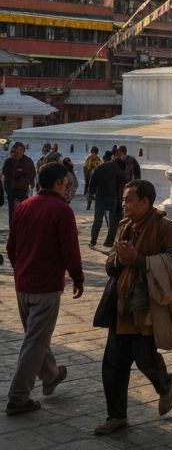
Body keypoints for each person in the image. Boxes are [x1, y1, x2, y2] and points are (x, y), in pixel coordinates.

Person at [94, 179, 172, 435]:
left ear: (145, 202)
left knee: (145, 359)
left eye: (129, 200)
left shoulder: (165, 228)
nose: (124, 204)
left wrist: (139, 260)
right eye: (123, 200)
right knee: (113, 364)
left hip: (146, 307)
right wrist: (118, 260)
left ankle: (164, 384)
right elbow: (111, 265)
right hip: (121, 305)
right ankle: (116, 416)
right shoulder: (124, 226)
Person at [5, 161, 83, 417]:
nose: (67, 187)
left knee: (35, 337)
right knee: (35, 340)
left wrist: (21, 270)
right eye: (66, 183)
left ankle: (50, 375)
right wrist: (77, 277)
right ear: (59, 183)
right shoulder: (61, 210)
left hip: (23, 284)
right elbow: (70, 250)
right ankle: (18, 397)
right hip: (46, 286)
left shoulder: (24, 205)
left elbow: (11, 247)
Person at [89, 151, 125, 249]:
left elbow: (93, 180)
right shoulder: (117, 169)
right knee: (113, 221)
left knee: (97, 220)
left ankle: (93, 241)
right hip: (112, 197)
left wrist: (91, 192)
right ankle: (109, 243)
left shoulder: (100, 167)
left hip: (100, 197)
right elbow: (122, 182)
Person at [3, 142, 36, 224]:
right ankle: (13, 228)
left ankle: (23, 227)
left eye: (21, 150)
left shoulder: (28, 161)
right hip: (12, 190)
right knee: (12, 212)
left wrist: (31, 182)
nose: (19, 152)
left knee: (23, 211)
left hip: (23, 190)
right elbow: (6, 175)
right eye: (17, 150)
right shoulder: (9, 161)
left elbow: (32, 173)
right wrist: (8, 189)